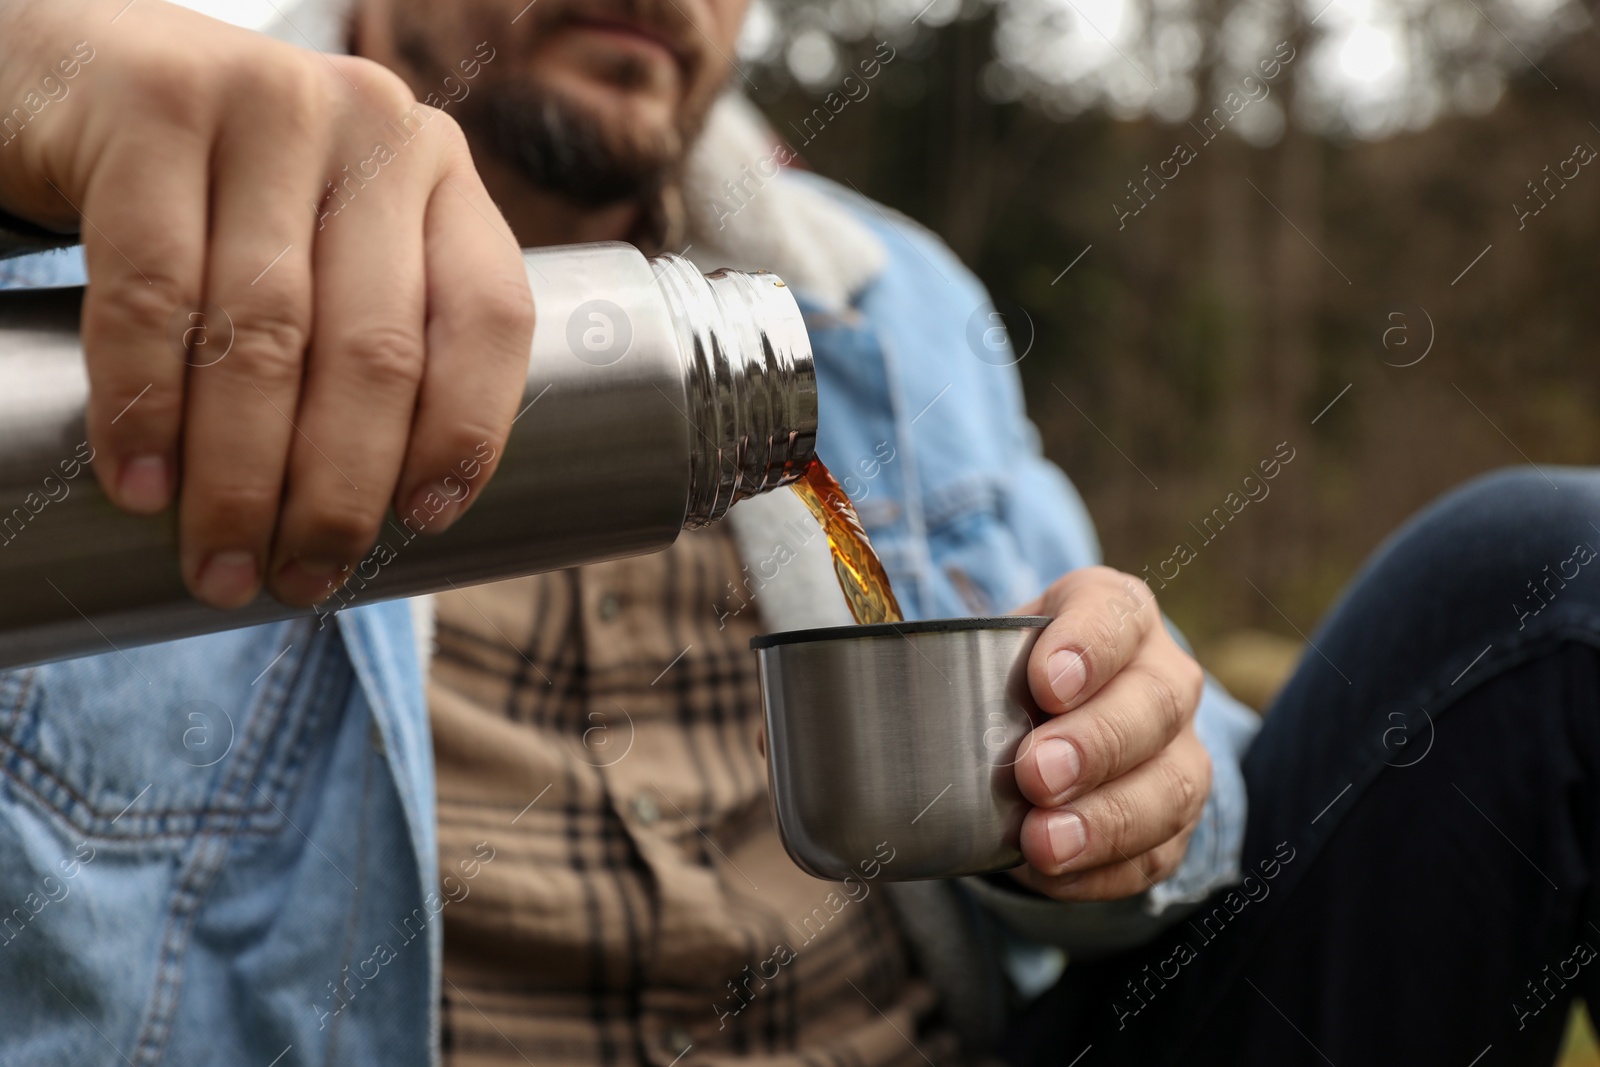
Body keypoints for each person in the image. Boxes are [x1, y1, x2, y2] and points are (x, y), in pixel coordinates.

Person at [0, 3, 1587, 1067]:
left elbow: (1172, 793)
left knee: (1554, 575)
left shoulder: (889, 301)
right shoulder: (94, 230)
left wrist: (1142, 778)